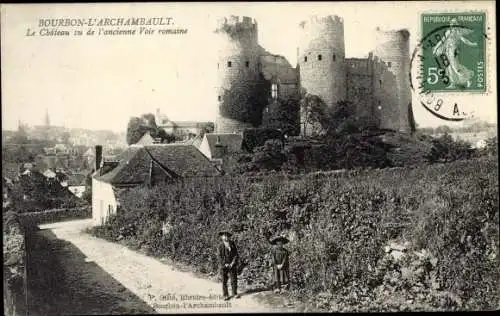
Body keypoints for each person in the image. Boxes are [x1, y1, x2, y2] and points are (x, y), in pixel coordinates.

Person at [218, 231, 240, 300]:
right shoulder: (220, 245)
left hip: (232, 265)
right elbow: (219, 256)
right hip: (224, 265)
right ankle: (225, 295)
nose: (226, 237)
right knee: (224, 280)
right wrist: (225, 263)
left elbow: (236, 254)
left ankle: (234, 293)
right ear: (222, 237)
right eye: (224, 236)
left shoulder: (232, 244)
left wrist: (232, 263)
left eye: (227, 236)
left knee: (234, 279)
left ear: (229, 237)